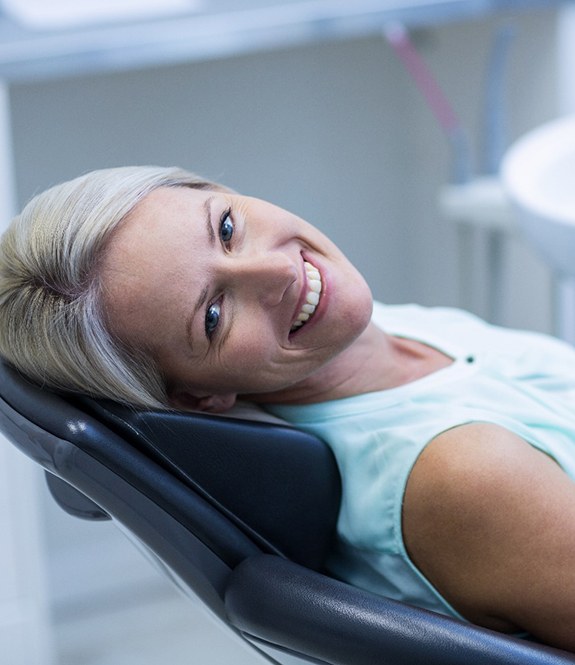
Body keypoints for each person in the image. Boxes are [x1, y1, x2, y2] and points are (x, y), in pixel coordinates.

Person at [1, 165, 575, 652]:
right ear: (196, 397)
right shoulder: (464, 474)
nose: (280, 272)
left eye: (226, 228)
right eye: (213, 317)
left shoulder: (366, 333)